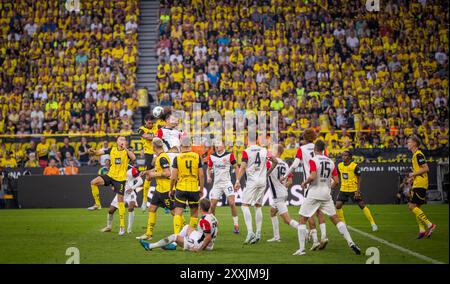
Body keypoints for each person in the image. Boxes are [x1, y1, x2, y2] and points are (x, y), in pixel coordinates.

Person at [294, 140, 361, 256]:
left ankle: (301, 249)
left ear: (315, 149)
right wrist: (330, 189)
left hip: (314, 193)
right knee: (336, 219)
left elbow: (313, 176)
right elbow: (336, 181)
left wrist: (304, 182)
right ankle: (351, 243)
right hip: (326, 194)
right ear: (324, 149)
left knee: (302, 219)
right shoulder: (331, 162)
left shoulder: (313, 160)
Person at [282, 128, 327, 250]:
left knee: (308, 213)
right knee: (319, 211)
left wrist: (285, 176)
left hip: (309, 183)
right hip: (322, 183)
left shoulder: (302, 149)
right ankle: (324, 236)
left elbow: (295, 164)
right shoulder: (319, 147)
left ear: (304, 138)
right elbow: (326, 162)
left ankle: (316, 240)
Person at [87, 136, 136, 236]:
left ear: (125, 142)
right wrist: (92, 151)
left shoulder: (127, 152)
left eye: (123, 140)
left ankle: (122, 226)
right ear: (117, 141)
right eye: (120, 139)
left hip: (120, 179)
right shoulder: (112, 149)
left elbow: (133, 158)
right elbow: (97, 153)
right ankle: (97, 204)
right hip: (110, 175)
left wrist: (125, 148)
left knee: (120, 201)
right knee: (93, 182)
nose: (122, 141)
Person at [234, 135, 278, 244]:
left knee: (244, 205)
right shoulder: (264, 150)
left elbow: (243, 167)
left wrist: (237, 181)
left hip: (252, 181)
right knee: (258, 206)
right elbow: (275, 161)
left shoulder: (247, 151)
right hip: (262, 181)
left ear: (248, 141)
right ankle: (258, 233)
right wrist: (267, 173)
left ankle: (250, 232)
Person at [139, 198, 218, 252]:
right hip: (208, 243)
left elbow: (208, 237)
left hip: (199, 244)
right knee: (187, 227)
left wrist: (199, 249)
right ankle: (174, 244)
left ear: (200, 208)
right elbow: (213, 233)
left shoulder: (203, 220)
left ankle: (150, 246)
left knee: (175, 236)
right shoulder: (213, 217)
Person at [137, 138, 174, 240]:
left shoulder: (162, 158)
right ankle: (149, 234)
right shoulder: (159, 157)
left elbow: (168, 173)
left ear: (153, 147)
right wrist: (147, 171)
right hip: (159, 189)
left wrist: (153, 174)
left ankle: (184, 232)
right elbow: (158, 169)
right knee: (152, 209)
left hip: (166, 190)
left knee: (174, 212)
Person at [170, 136, 204, 236]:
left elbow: (173, 177)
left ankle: (176, 237)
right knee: (194, 213)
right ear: (190, 144)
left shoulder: (178, 157)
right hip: (193, 188)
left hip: (181, 188)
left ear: (181, 145)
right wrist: (201, 188)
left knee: (178, 213)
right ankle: (191, 236)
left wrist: (171, 188)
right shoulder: (197, 156)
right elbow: (201, 175)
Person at [336, 151, 378, 231]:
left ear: (350, 157)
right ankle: (343, 224)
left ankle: (373, 224)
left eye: (345, 155)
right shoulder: (339, 165)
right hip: (343, 189)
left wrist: (358, 191)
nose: (343, 157)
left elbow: (359, 178)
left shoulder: (355, 166)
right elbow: (338, 175)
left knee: (362, 205)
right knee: (338, 205)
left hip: (353, 189)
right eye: (342, 155)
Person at [266, 144, 299, 242]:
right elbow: (290, 181)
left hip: (278, 195)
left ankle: (305, 231)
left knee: (286, 219)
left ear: (277, 152)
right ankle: (276, 237)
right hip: (283, 192)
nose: (271, 151)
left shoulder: (270, 163)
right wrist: (285, 185)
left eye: (273, 150)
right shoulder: (285, 164)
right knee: (272, 212)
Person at [406, 136, 437, 239]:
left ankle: (430, 225)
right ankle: (422, 230)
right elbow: (420, 169)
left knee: (411, 206)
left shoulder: (418, 154)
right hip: (418, 182)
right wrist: (412, 178)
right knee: (417, 208)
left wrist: (413, 174)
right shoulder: (415, 155)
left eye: (409, 142)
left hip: (421, 184)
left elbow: (426, 168)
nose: (407, 144)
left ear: (414, 143)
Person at [207, 140, 239, 234]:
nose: (217, 146)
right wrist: (208, 176)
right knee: (212, 206)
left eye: (219, 144)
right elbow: (208, 169)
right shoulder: (212, 156)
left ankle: (236, 225)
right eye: (216, 144)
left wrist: (237, 181)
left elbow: (236, 167)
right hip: (217, 184)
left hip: (227, 183)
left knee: (232, 203)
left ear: (223, 146)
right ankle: (213, 225)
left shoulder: (229, 155)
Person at [102, 167, 143, 234]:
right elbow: (112, 183)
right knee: (111, 210)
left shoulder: (132, 169)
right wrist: (113, 187)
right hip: (121, 193)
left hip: (130, 193)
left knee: (131, 207)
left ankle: (129, 229)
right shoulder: (116, 169)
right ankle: (109, 227)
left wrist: (132, 188)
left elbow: (140, 181)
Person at [137, 114, 159, 212]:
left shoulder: (156, 126)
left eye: (152, 123)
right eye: (149, 123)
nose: (151, 124)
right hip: (149, 154)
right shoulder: (141, 129)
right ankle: (145, 200)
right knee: (149, 176)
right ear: (145, 122)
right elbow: (146, 137)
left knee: (163, 175)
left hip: (158, 153)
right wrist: (156, 136)